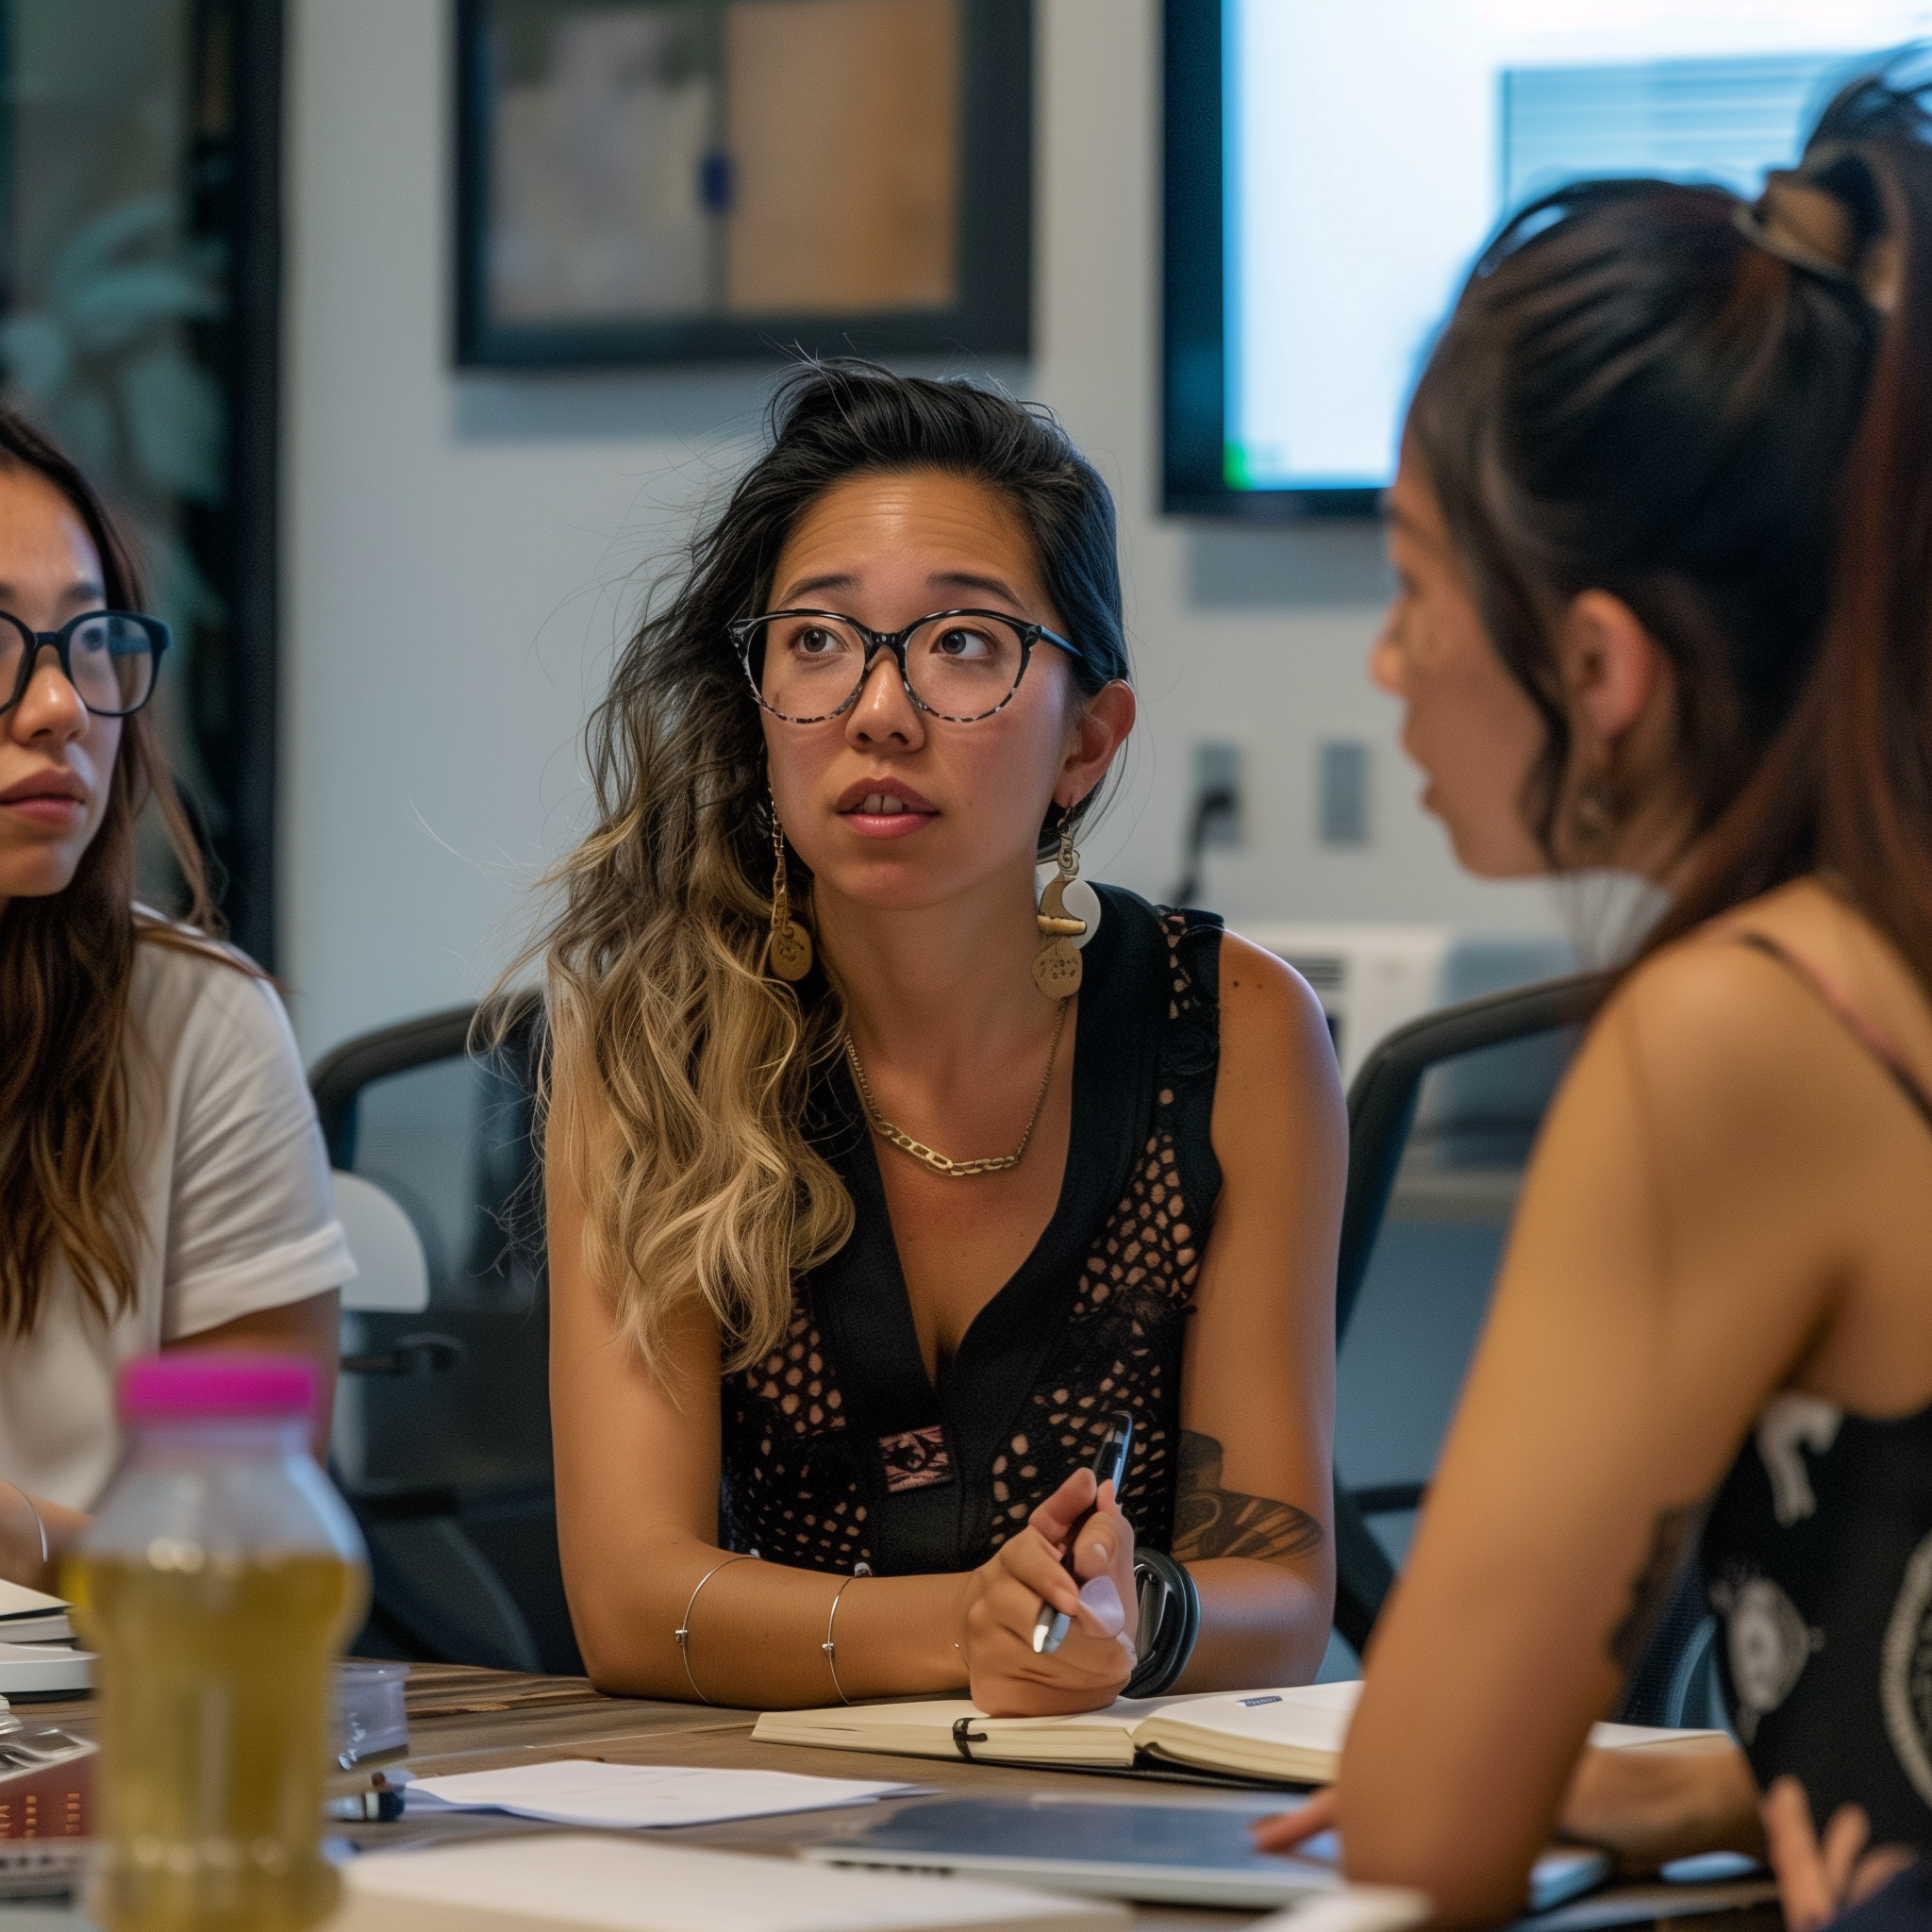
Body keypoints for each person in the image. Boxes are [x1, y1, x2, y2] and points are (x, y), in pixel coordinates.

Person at [1252, 67, 1932, 1929]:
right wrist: (1743, 1766)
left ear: (1599, 663)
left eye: (1408, 584)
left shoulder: (1748, 1030)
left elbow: (1420, 1830)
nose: (1387, 666)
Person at [541, 363, 1343, 1714]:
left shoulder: (1236, 1031)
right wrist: (964, 1632)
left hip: (1127, 1820)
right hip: (769, 1823)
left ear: (1088, 741)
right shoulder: (655, 1044)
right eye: (818, 640)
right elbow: (630, 1600)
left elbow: (1280, 1589)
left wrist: (1124, 1617)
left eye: (965, 643)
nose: (879, 710)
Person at [0, 409, 351, 1591]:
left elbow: (242, 1556)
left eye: (86, 639)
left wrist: (16, 1535)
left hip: (97, 1720)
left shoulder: (199, 1021)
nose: (59, 706)